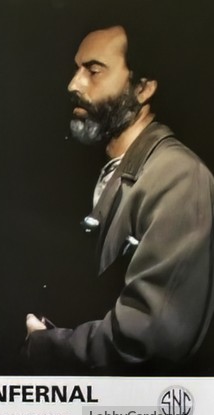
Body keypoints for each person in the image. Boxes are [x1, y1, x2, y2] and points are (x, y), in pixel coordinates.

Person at [23, 25, 214, 375]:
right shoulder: (118, 169)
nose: (73, 84)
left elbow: (149, 336)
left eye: (94, 71)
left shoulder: (179, 177)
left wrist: (48, 347)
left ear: (143, 88)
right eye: (76, 69)